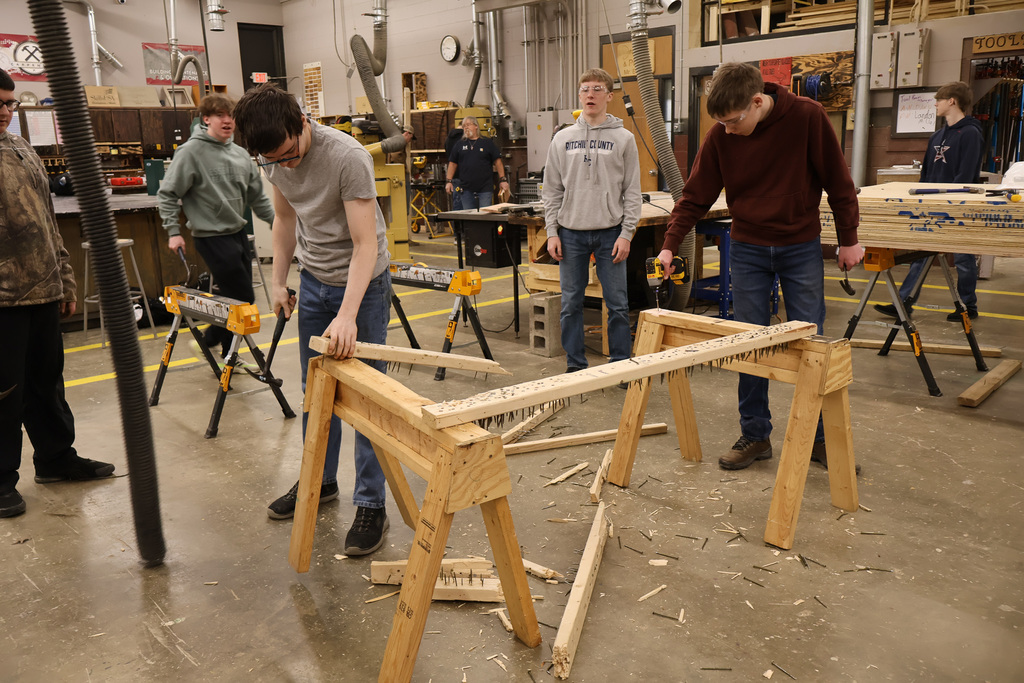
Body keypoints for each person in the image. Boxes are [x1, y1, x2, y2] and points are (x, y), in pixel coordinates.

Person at [657, 62, 863, 471]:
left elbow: (839, 181)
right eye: (722, 123)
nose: (729, 130)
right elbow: (695, 196)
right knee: (748, 344)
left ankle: (819, 439)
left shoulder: (807, 117)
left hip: (799, 246)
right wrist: (669, 245)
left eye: (734, 121)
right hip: (747, 247)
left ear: (757, 102)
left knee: (813, 344)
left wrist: (849, 238)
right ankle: (755, 434)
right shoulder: (721, 135)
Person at [232, 84, 391, 556]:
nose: (286, 166)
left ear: (302, 122)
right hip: (315, 279)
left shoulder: (348, 157)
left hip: (363, 285)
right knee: (315, 391)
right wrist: (279, 280)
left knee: (366, 397)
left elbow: (365, 245)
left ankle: (371, 503)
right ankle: (319, 481)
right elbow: (284, 220)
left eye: (290, 155)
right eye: (273, 161)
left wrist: (348, 315)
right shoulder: (273, 157)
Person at [0, 68, 115, 518]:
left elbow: (49, 223)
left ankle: (55, 458)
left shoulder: (21, 148)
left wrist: (64, 278)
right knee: (4, 392)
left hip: (43, 289)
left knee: (47, 384)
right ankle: (1, 480)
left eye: (10, 103)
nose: (6, 111)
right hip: (4, 299)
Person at [158, 93, 275, 361]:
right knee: (244, 298)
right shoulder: (190, 153)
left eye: (231, 115)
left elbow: (258, 198)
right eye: (220, 115)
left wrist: (278, 225)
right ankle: (210, 341)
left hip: (237, 233)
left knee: (236, 301)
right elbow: (167, 194)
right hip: (210, 236)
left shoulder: (240, 155)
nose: (227, 120)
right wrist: (173, 232)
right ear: (206, 119)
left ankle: (226, 354)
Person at [543, 68, 642, 374]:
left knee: (618, 305)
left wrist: (626, 234)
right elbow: (551, 190)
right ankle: (576, 367)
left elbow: (632, 191)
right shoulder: (562, 139)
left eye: (597, 89)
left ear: (609, 96)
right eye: (585, 89)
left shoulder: (624, 139)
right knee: (571, 304)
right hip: (570, 233)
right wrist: (552, 231)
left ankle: (620, 367)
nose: (590, 94)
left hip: (611, 233)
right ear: (579, 95)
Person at [874, 81, 984, 321]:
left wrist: (951, 202)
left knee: (963, 258)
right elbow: (926, 174)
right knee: (921, 255)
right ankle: (904, 302)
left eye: (939, 100)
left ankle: (968, 306)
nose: (935, 104)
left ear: (952, 101)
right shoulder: (937, 135)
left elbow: (965, 175)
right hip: (931, 206)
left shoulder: (970, 134)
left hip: (958, 206)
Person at [444, 116, 510, 209]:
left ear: (476, 126)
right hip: (466, 188)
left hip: (485, 188)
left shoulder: (487, 142)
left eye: (468, 125)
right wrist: (449, 181)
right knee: (469, 215)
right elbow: (452, 163)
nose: (466, 127)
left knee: (485, 213)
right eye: (464, 126)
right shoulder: (459, 144)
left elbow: (498, 162)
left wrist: (503, 180)